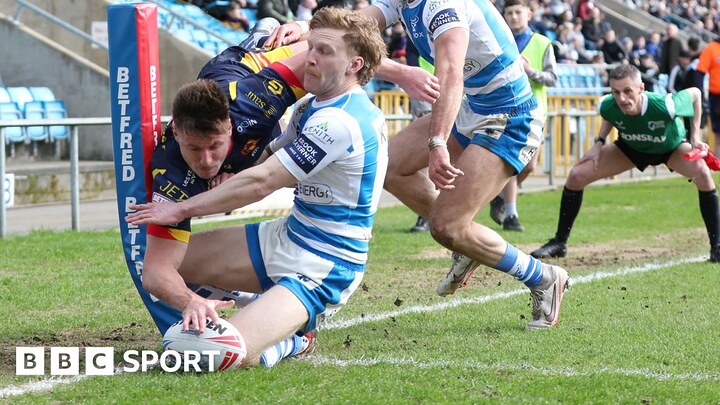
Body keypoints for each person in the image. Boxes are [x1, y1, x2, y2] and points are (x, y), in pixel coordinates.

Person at [266, 0, 571, 330]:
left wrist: (438, 141)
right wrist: (303, 27)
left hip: (509, 114)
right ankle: (465, 246)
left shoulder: (444, 6)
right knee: (391, 164)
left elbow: (451, 74)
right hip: (473, 105)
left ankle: (544, 277)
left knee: (447, 227)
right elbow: (349, 28)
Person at [127, 7, 389, 368]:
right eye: (311, 48)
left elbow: (264, 181)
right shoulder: (310, 108)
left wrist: (182, 208)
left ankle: (295, 340)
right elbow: (264, 159)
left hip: (326, 262)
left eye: (324, 52)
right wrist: (230, 170)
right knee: (167, 268)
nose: (309, 59)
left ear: (355, 65)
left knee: (216, 353)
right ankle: (253, 308)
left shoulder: (340, 122)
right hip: (286, 236)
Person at [530, 64, 720, 263]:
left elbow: (696, 94)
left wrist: (695, 137)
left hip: (670, 148)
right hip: (631, 148)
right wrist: (599, 143)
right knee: (577, 175)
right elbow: (609, 114)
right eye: (616, 92)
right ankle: (560, 242)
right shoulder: (607, 104)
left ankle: (716, 247)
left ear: (641, 88)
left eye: (628, 91)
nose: (622, 98)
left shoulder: (665, 105)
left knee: (703, 175)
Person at [489, 0, 557, 232]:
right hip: (507, 111)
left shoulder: (542, 43)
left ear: (529, 13)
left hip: (536, 112)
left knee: (528, 167)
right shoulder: (499, 39)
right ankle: (511, 215)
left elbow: (552, 78)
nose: (514, 16)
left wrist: (530, 72)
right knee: (513, 163)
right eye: (509, 12)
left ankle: (498, 194)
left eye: (518, 12)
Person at [697, 37, 720, 157]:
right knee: (718, 133)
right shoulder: (712, 48)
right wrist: (700, 94)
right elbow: (700, 72)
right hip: (717, 97)